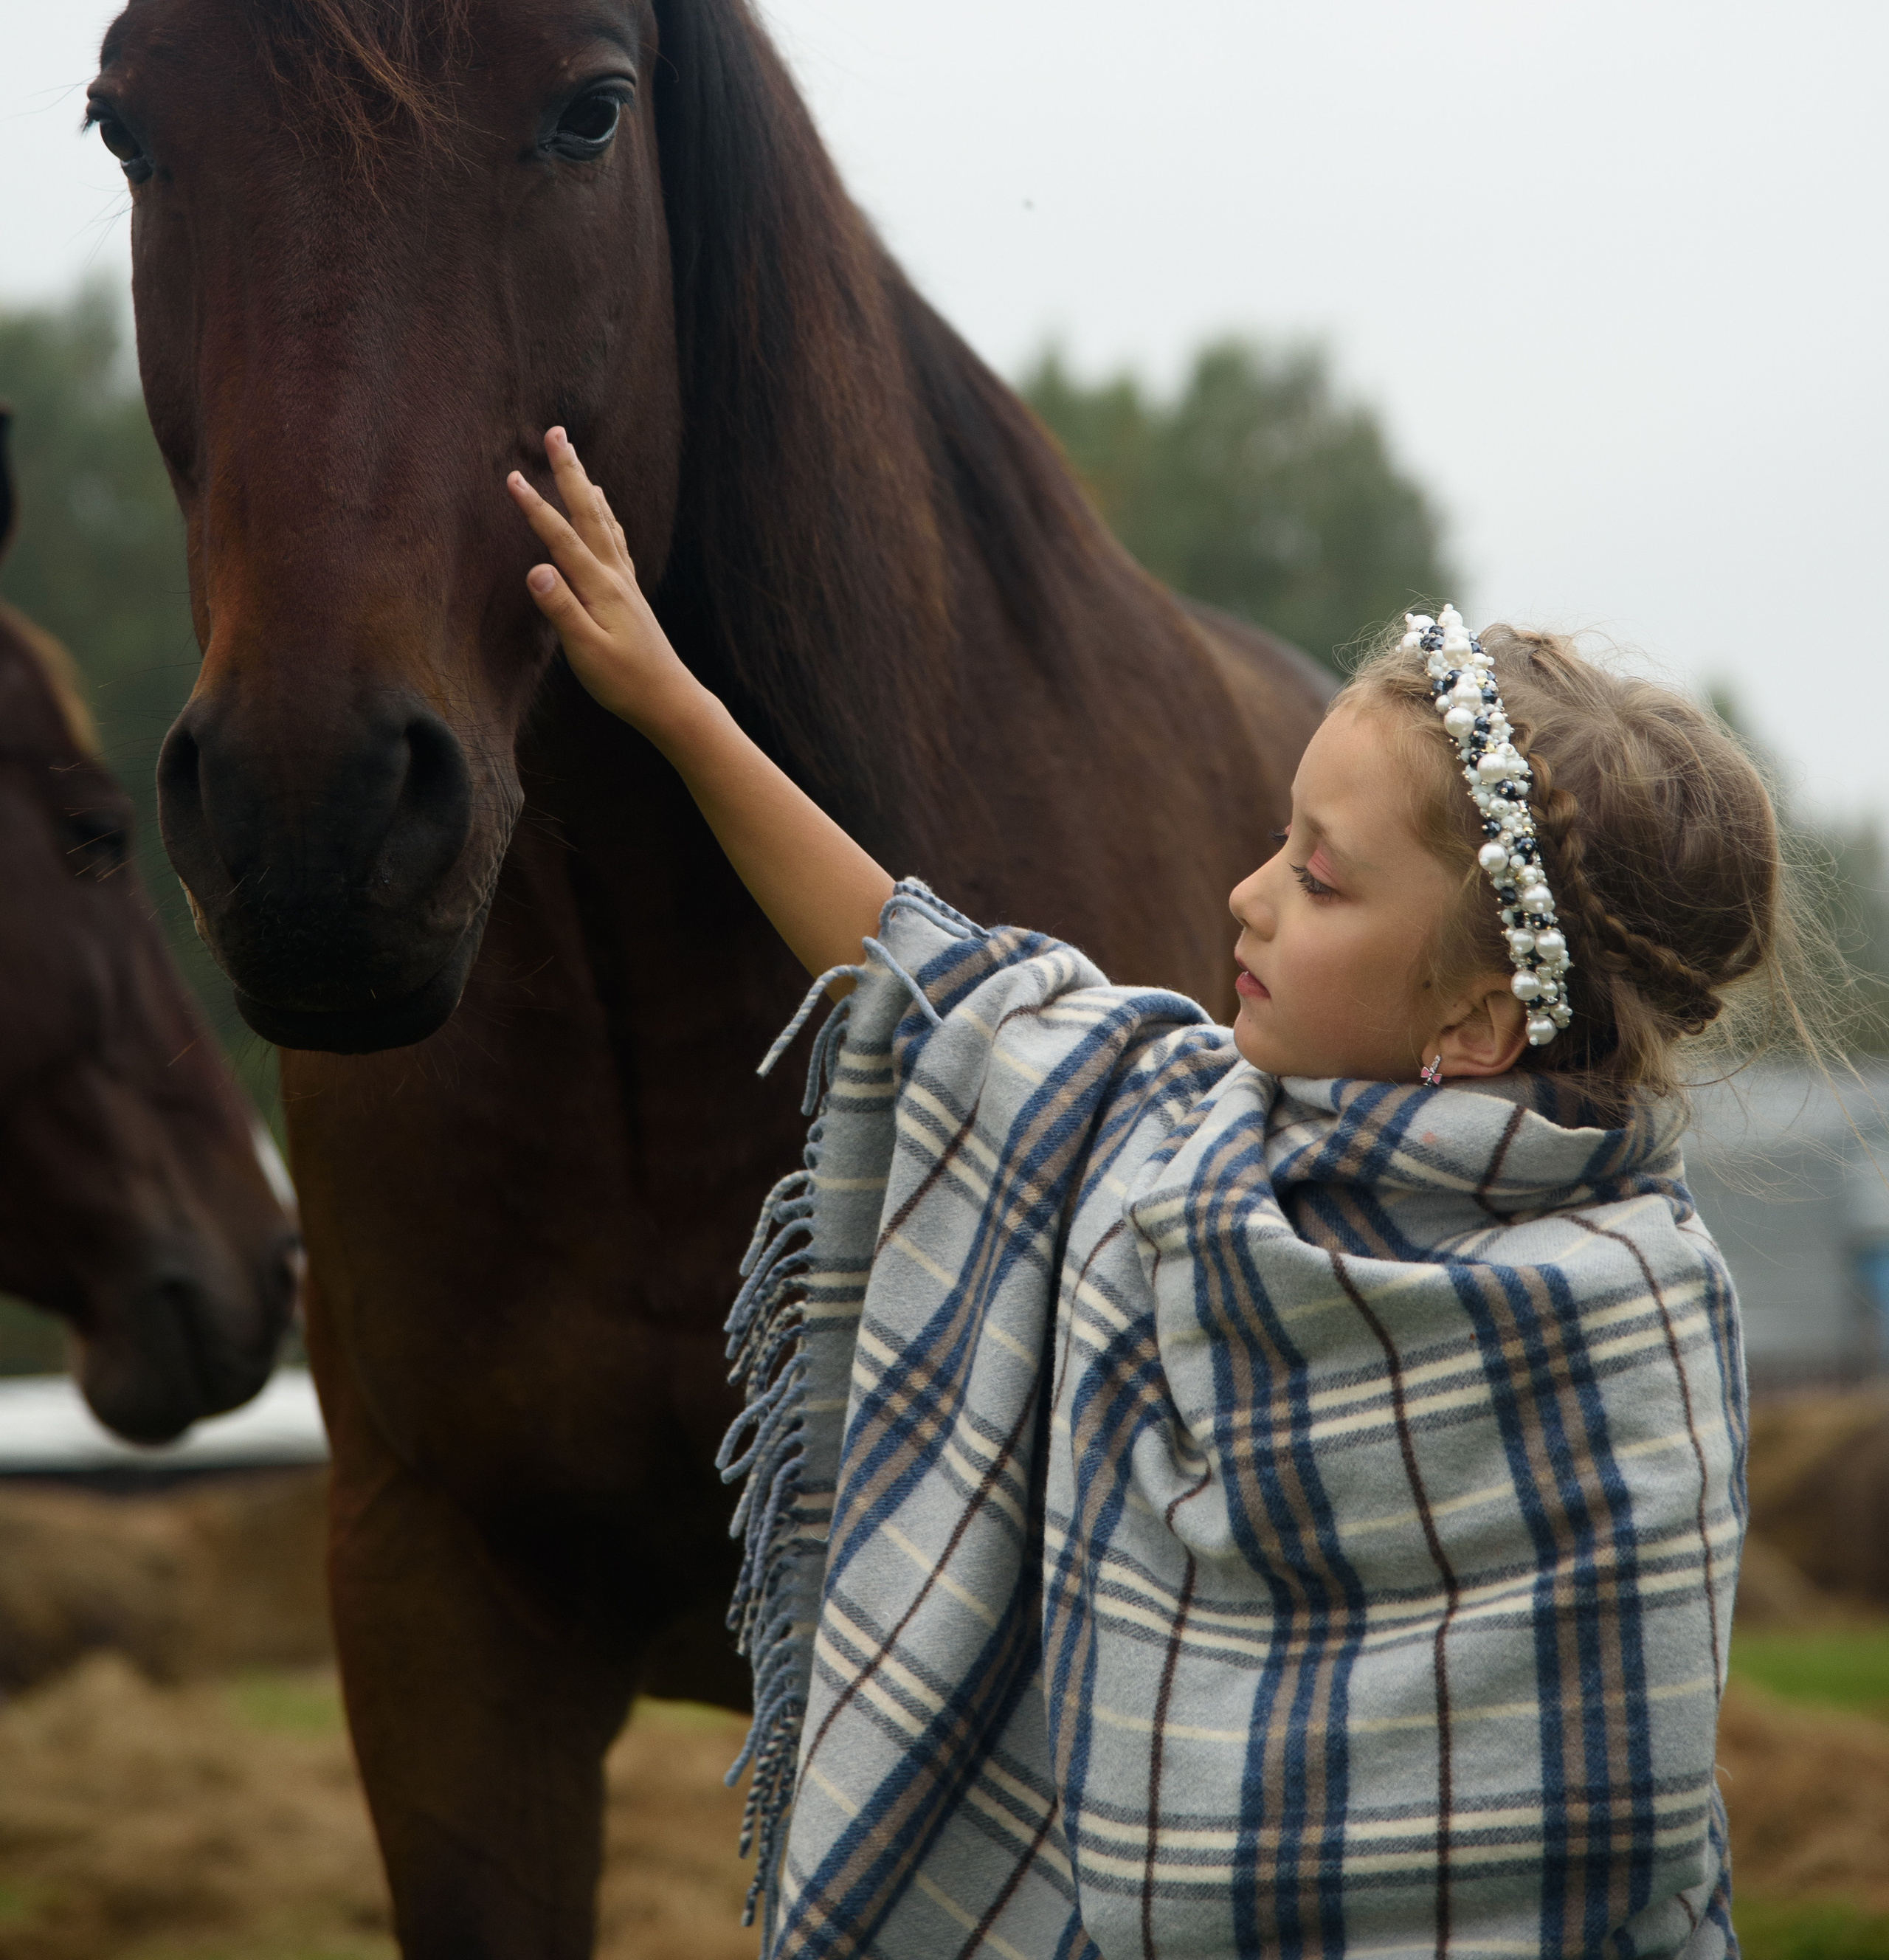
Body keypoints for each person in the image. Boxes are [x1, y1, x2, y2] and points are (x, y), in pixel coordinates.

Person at [508, 429, 1778, 1960]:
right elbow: (920, 980)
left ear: (1475, 1021)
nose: (1246, 890)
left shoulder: (1627, 1304)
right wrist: (668, 700)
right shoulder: (1165, 1139)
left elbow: (1591, 1806)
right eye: (1276, 838)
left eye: (1318, 875)